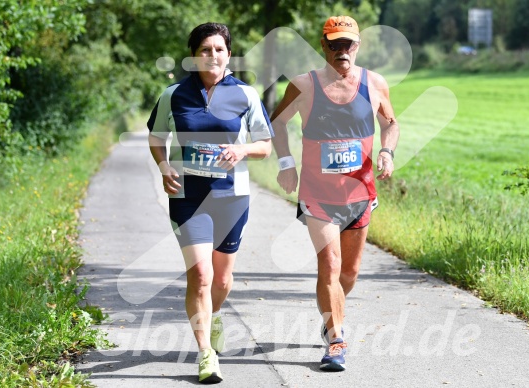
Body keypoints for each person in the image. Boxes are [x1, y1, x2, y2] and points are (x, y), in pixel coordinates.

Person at [270, 15, 399, 371]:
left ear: (358, 45)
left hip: (360, 194)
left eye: (348, 44)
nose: (342, 51)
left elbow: (390, 122)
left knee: (349, 274)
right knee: (330, 266)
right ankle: (336, 339)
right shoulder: (303, 85)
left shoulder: (375, 83)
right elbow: (276, 121)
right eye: (334, 44)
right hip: (318, 195)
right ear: (323, 46)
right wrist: (285, 163)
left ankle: (330, 316)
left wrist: (387, 152)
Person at [147, 22, 273, 384]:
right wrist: (163, 163)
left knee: (222, 279)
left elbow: (264, 145)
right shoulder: (173, 94)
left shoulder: (246, 95)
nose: (213, 55)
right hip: (187, 197)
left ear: (228, 55)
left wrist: (242, 148)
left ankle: (214, 315)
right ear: (193, 56)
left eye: (219, 49)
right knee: (200, 276)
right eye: (205, 49)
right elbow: (157, 137)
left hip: (232, 197)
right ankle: (206, 354)